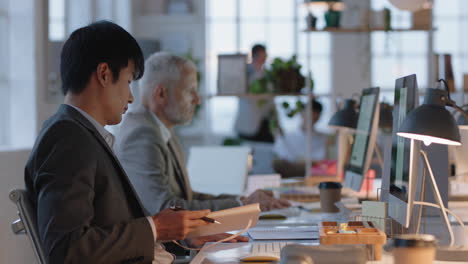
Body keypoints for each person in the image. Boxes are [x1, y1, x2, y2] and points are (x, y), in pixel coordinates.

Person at [24, 21, 244, 264]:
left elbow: (108, 227)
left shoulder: (83, 134)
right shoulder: (68, 137)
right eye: (128, 81)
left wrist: (179, 237)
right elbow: (67, 249)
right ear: (104, 74)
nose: (131, 96)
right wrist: (156, 229)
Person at [114, 52, 291, 213]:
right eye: (190, 91)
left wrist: (243, 200)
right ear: (161, 94)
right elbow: (166, 210)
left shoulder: (159, 127)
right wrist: (243, 205)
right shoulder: (142, 134)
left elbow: (187, 198)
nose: (197, 100)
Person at [272, 99, 328, 177]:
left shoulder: (323, 138)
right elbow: (281, 158)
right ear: (302, 113)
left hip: (314, 175)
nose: (312, 118)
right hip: (289, 174)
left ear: (319, 117)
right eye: (309, 115)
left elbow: (322, 161)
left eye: (315, 116)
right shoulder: (286, 136)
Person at [234, 44, 275, 142]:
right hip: (248, 122)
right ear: (254, 55)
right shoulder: (244, 72)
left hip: (265, 122)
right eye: (262, 55)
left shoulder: (267, 74)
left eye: (265, 55)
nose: (264, 58)